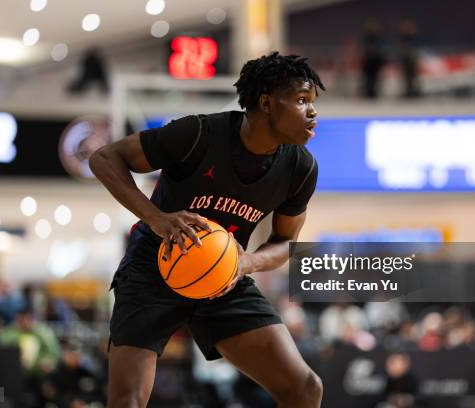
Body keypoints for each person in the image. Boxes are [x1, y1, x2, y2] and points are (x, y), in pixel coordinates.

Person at [90, 51, 324, 408]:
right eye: (302, 100)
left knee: (305, 388)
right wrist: (157, 217)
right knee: (127, 401)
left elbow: (285, 241)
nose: (313, 112)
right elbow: (104, 158)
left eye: (313, 102)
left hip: (224, 279)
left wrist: (246, 264)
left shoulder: (300, 168)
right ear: (266, 103)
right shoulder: (198, 133)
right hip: (151, 272)